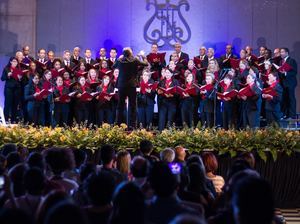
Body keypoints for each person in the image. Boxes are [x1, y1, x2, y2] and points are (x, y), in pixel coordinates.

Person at [113, 47, 148, 129]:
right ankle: (133, 125)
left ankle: (118, 125)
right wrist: (144, 57)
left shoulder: (120, 61)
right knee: (133, 106)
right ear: (130, 53)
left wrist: (119, 58)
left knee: (120, 106)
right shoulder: (135, 60)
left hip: (121, 86)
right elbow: (145, 64)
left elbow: (113, 66)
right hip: (132, 86)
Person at [1, 57, 23, 123]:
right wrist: (8, 75)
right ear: (10, 62)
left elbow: (20, 80)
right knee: (7, 104)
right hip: (9, 89)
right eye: (13, 61)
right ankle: (6, 119)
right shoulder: (6, 68)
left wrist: (20, 78)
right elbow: (2, 78)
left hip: (16, 89)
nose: (15, 63)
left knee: (15, 104)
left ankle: (14, 119)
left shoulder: (19, 69)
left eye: (16, 62)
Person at [278, 47, 298, 119]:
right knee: (285, 99)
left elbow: (294, 72)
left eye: (282, 52)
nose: (281, 53)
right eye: (280, 52)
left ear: (287, 53)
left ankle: (292, 115)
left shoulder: (292, 61)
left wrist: (285, 73)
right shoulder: (281, 61)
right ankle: (286, 114)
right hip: (283, 83)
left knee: (291, 98)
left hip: (290, 83)